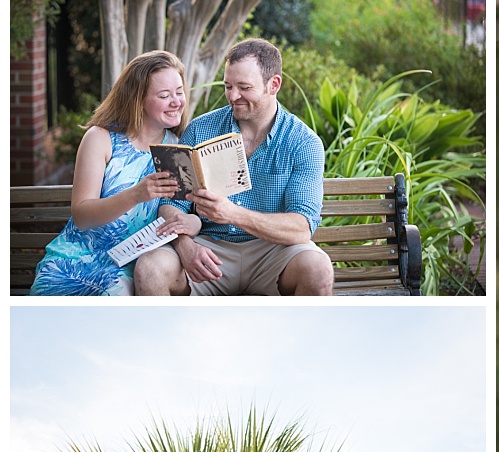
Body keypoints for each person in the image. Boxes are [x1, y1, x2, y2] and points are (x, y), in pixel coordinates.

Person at [134, 38, 334, 296]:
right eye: (228, 86)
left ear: (273, 85)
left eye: (244, 87)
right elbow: (173, 204)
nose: (233, 96)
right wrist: (185, 246)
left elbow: (301, 227)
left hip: (273, 252)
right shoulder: (200, 129)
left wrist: (233, 214)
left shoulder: (303, 143)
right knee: (150, 268)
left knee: (319, 268)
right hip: (208, 248)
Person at [29, 50, 197, 296]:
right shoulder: (101, 139)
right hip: (75, 258)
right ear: (138, 99)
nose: (176, 101)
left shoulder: (177, 148)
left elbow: (181, 211)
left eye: (179, 92)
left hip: (130, 262)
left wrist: (192, 222)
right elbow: (82, 216)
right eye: (164, 95)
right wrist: (136, 195)